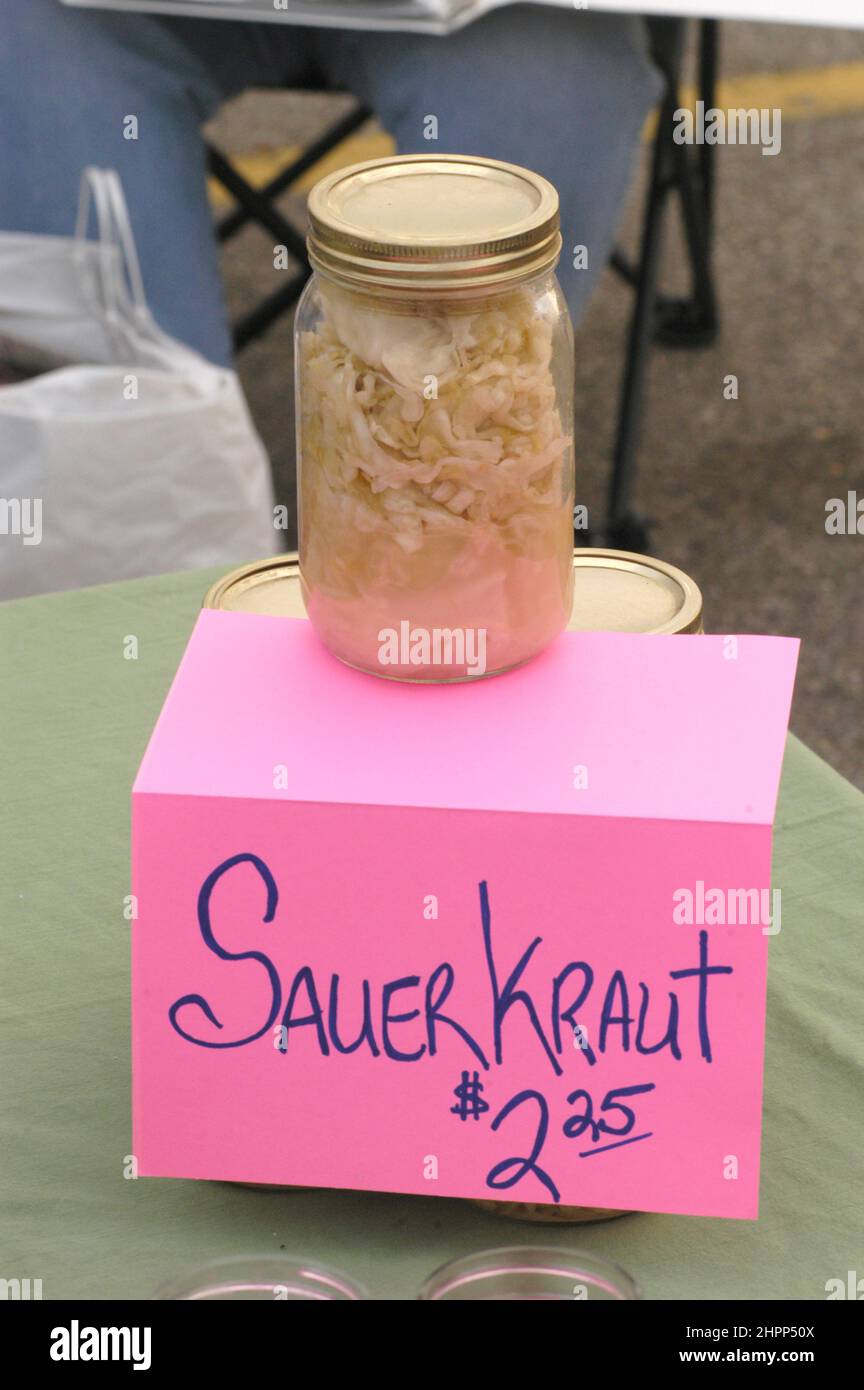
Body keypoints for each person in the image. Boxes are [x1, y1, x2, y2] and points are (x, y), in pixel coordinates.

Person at [0, 0, 662, 366]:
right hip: (115, 10)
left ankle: (445, 479)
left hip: (497, 13)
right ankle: (150, 486)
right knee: (29, 61)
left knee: (556, 84)